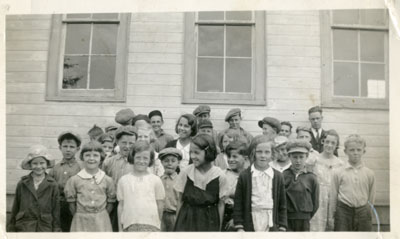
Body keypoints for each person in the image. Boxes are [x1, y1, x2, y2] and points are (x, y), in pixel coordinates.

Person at [174, 134, 229, 231]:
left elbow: (221, 205)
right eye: (191, 152)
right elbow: (180, 201)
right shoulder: (186, 173)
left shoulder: (220, 176)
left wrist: (218, 231)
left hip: (209, 221)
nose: (192, 156)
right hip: (187, 219)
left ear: (208, 152)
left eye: (197, 153)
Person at [233, 135, 287, 232]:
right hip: (250, 222)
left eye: (267, 152)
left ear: (272, 154)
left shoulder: (278, 176)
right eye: (259, 152)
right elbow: (238, 203)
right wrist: (239, 226)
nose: (263, 155)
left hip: (271, 221)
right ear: (253, 153)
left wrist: (282, 226)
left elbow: (282, 204)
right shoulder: (245, 176)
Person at [64, 141, 116, 232]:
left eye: (95, 155)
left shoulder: (107, 180)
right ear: (82, 157)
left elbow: (110, 203)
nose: (91, 158)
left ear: (101, 158)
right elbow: (71, 205)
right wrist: (81, 214)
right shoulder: (74, 180)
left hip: (101, 220)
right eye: (87, 155)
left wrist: (101, 215)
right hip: (81, 220)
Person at [328, 134, 376, 231]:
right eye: (352, 150)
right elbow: (333, 195)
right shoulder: (338, 172)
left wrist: (368, 213)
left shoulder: (369, 173)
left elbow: (371, 197)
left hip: (363, 212)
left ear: (364, 151)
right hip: (343, 212)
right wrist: (330, 216)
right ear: (346, 151)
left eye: (359, 150)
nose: (355, 153)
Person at [8, 145, 60, 232]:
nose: (39, 166)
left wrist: (56, 229)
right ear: (30, 165)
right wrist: (11, 227)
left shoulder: (53, 185)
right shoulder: (22, 183)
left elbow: (56, 211)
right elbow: (15, 207)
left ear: (47, 164)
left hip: (44, 228)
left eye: (42, 163)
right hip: (25, 227)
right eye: (35, 163)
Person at [117, 141, 165, 231]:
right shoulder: (124, 180)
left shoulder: (156, 180)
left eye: (145, 158)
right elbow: (121, 206)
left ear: (150, 160)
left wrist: (158, 224)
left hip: (151, 226)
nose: (141, 161)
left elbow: (160, 205)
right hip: (129, 225)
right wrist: (120, 228)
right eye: (138, 157)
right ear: (132, 157)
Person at [102, 125, 137, 231]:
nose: (127, 146)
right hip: (112, 203)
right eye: (124, 143)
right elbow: (103, 183)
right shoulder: (109, 162)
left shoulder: (137, 162)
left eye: (131, 143)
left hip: (131, 203)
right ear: (117, 142)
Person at [310, 130, 344, 231]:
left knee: (332, 226)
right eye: (327, 142)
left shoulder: (340, 164)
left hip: (334, 198)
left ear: (336, 145)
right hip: (317, 197)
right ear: (323, 142)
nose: (329, 145)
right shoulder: (314, 160)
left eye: (333, 143)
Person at [48, 131, 82, 232]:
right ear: (60, 148)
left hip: (75, 205)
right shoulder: (55, 168)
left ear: (77, 149)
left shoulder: (80, 168)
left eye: (71, 147)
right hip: (58, 205)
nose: (68, 150)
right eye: (65, 146)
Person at [283, 139, 319, 231]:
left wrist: (306, 216)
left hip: (304, 219)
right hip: (287, 219)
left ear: (306, 157)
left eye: (301, 157)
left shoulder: (311, 178)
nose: (298, 161)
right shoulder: (283, 175)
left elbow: (315, 202)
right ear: (289, 157)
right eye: (295, 157)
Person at [222, 141, 249, 231]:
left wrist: (236, 220)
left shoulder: (249, 176)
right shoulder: (223, 174)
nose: (230, 159)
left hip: (242, 219)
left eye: (234, 156)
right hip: (223, 216)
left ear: (245, 158)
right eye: (229, 156)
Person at [158, 147, 182, 231]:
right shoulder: (158, 180)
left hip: (175, 215)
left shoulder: (180, 180)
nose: (169, 164)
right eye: (166, 161)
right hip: (161, 215)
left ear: (178, 163)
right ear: (161, 162)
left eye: (173, 161)